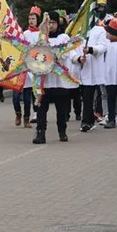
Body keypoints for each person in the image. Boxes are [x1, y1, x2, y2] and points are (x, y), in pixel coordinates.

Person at [33, 11, 81, 144]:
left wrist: (78, 59)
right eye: (49, 23)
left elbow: (70, 53)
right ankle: (40, 133)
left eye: (53, 22)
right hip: (45, 81)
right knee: (42, 109)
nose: (51, 25)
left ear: (57, 23)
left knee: (61, 109)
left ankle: (62, 132)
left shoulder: (63, 38)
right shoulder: (41, 38)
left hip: (60, 82)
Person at [78, 11, 108, 132]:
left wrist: (90, 49)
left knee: (89, 95)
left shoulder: (100, 30)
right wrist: (78, 57)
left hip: (93, 69)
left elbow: (102, 47)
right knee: (85, 96)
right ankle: (89, 119)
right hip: (82, 66)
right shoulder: (80, 31)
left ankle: (86, 121)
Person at [13, 6, 42, 128]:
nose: (31, 20)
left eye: (33, 18)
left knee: (28, 96)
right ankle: (18, 113)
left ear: (37, 20)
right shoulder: (24, 34)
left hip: (34, 67)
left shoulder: (41, 34)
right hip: (23, 67)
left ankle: (27, 118)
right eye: (29, 18)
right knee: (16, 95)